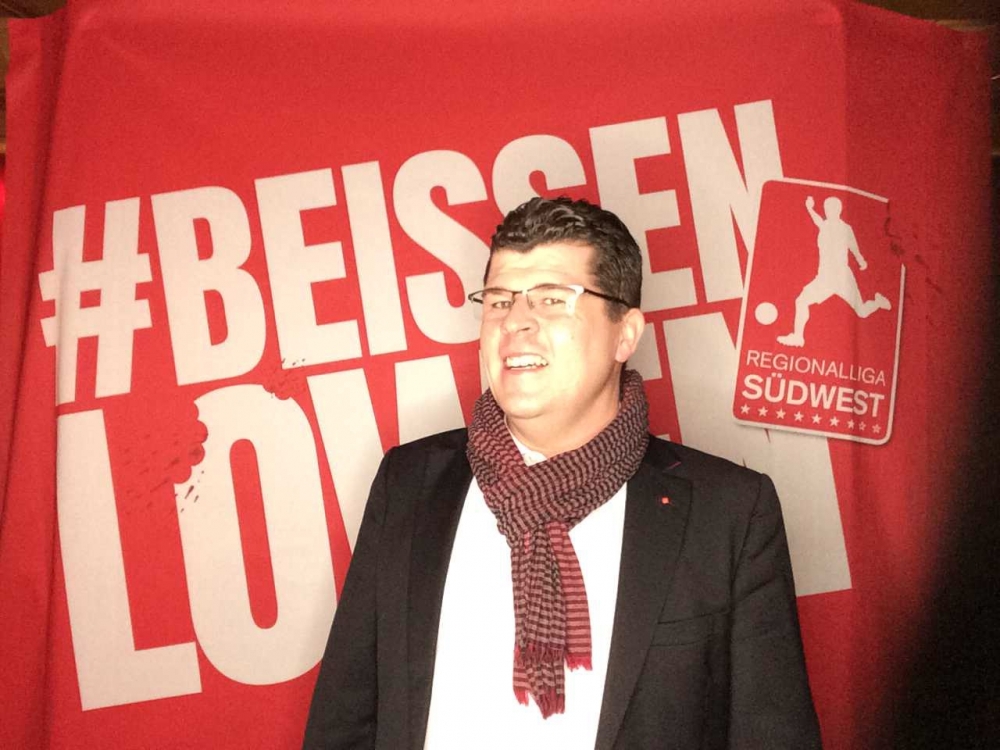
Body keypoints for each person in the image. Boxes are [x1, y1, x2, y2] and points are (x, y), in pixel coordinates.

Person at [303, 197, 821, 749]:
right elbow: (343, 722)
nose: (515, 323)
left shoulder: (730, 514)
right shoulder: (409, 483)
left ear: (625, 334)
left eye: (552, 299)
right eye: (498, 301)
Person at [777, 195, 890, 348]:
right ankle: (798, 337)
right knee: (801, 301)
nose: (828, 211)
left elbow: (854, 248)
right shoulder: (824, 225)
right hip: (825, 277)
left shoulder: (845, 229)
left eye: (832, 208)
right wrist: (809, 208)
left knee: (862, 312)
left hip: (842, 277)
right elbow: (817, 220)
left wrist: (861, 261)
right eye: (826, 208)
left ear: (839, 210)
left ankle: (878, 302)